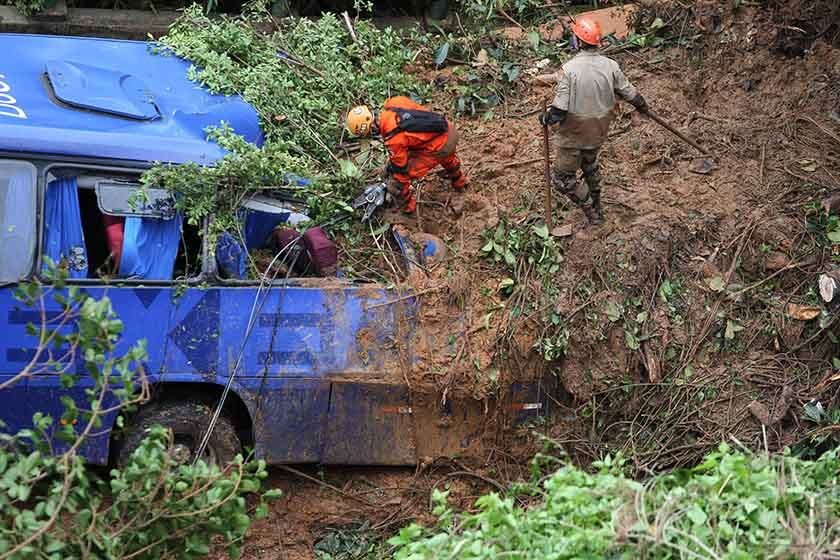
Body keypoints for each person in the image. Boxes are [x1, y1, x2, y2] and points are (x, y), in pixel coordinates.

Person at [538, 16, 648, 225]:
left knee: (562, 179)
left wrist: (545, 118)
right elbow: (630, 93)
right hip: (599, 130)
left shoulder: (568, 70)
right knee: (589, 163)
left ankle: (593, 213)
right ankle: (597, 200)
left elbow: (559, 111)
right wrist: (642, 106)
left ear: (577, 42)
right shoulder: (611, 65)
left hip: (574, 134)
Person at [346, 96, 467, 214]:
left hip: (441, 146)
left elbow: (401, 170)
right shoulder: (393, 103)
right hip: (446, 130)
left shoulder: (393, 137)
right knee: (446, 158)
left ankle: (408, 208)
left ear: (370, 128)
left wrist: (393, 183)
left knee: (398, 181)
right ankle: (460, 181)